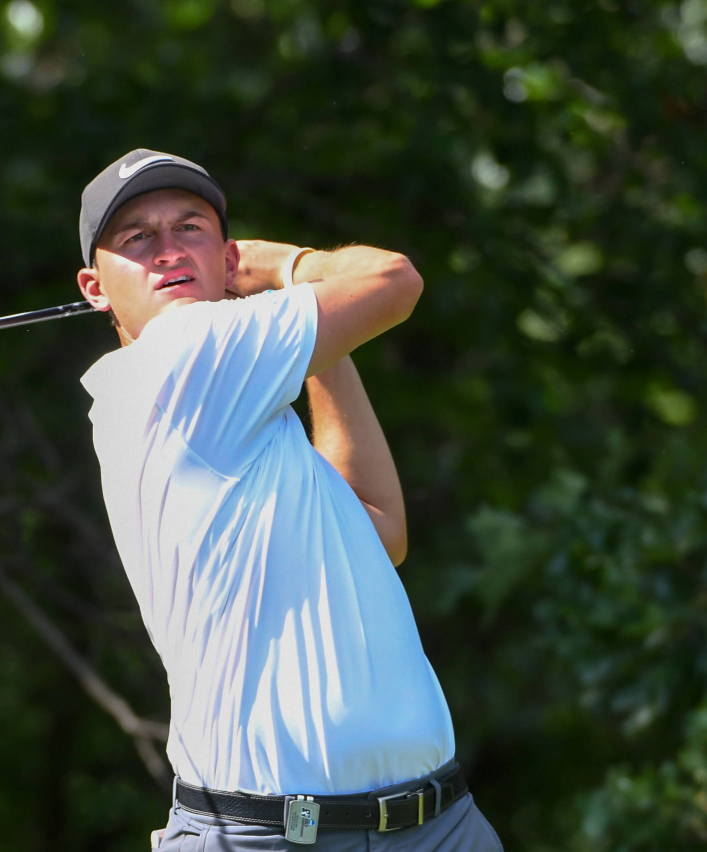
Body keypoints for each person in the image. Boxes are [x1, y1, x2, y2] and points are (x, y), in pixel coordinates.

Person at [75, 150, 503, 851]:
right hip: (275, 839)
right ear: (95, 288)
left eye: (190, 228)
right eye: (137, 239)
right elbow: (393, 279)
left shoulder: (237, 410)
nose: (167, 251)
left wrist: (297, 330)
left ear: (224, 254)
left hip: (439, 826)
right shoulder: (181, 357)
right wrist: (282, 268)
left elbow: (377, 526)